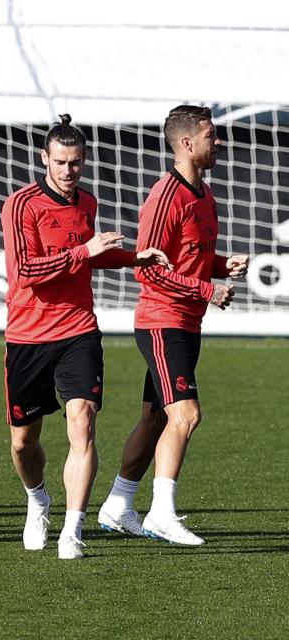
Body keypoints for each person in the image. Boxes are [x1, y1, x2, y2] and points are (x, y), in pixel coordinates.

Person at [0, 115, 169, 559]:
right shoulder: (21, 205)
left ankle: (72, 530)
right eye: (60, 162)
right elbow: (25, 272)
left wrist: (134, 258)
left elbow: (88, 261)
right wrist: (83, 250)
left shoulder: (86, 203)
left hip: (78, 330)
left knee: (84, 422)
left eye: (76, 162)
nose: (68, 170)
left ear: (84, 161)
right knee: (23, 442)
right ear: (44, 159)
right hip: (28, 335)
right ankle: (38, 500)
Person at [97, 105, 248, 546]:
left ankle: (118, 505)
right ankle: (162, 514)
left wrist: (222, 266)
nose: (217, 141)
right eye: (210, 134)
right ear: (186, 143)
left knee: (154, 419)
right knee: (187, 414)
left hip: (186, 322)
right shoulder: (165, 196)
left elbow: (190, 259)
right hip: (162, 321)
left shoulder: (204, 195)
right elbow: (147, 268)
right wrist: (207, 291)